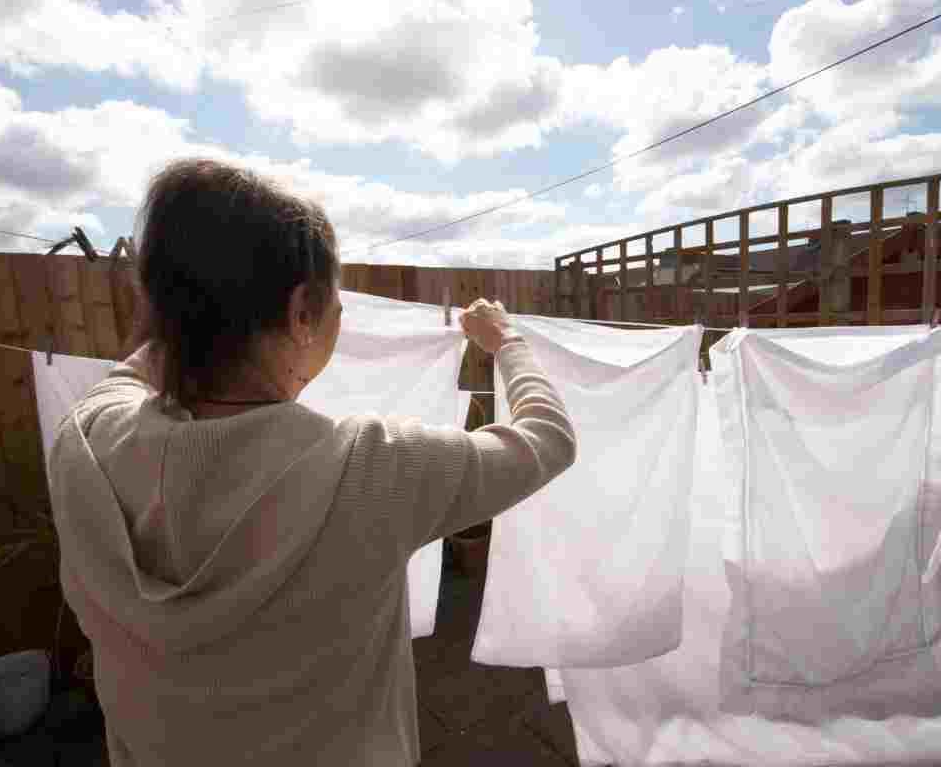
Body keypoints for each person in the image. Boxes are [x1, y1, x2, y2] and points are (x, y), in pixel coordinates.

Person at [45, 158, 577, 766]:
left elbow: (131, 373)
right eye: (337, 311)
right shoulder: (373, 469)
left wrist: (190, 311)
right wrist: (506, 341)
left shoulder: (84, 440)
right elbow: (548, 438)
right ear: (303, 311)